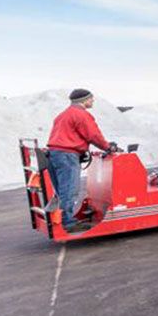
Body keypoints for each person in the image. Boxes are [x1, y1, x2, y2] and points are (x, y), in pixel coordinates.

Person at [46, 89, 115, 233]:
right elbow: (93, 135)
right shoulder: (82, 115)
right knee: (70, 189)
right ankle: (68, 222)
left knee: (62, 189)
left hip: (54, 153)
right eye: (91, 99)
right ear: (84, 100)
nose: (93, 101)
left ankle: (62, 218)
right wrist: (108, 147)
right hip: (67, 155)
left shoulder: (63, 115)